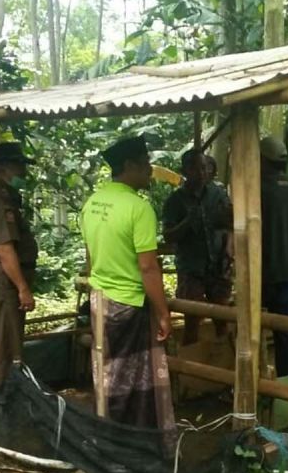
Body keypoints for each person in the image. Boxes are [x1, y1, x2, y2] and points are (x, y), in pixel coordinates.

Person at [81, 135, 175, 431]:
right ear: (129, 165)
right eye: (145, 163)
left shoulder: (92, 203)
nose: (150, 169)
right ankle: (129, 439)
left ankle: (109, 432)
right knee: (131, 381)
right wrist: (163, 313)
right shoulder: (139, 209)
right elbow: (148, 268)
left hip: (101, 300)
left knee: (107, 373)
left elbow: (90, 255)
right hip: (129, 304)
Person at [0, 142, 39, 387]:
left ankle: (8, 398)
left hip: (6, 278)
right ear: (2, 169)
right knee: (3, 347)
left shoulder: (8, 197)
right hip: (4, 279)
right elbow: (4, 249)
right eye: (18, 166)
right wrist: (22, 287)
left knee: (10, 342)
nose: (23, 172)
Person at [162, 149, 233, 345]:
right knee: (192, 320)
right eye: (195, 168)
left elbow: (230, 225)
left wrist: (228, 250)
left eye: (204, 168)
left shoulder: (218, 194)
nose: (201, 173)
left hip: (218, 266)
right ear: (184, 170)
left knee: (222, 318)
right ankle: (190, 366)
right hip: (191, 268)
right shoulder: (175, 201)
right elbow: (168, 236)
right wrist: (187, 221)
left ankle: (224, 362)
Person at [259, 136, 288, 378]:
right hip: (285, 271)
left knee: (252, 327)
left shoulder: (258, 188)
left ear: (262, 160)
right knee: (285, 332)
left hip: (259, 272)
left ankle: (253, 378)